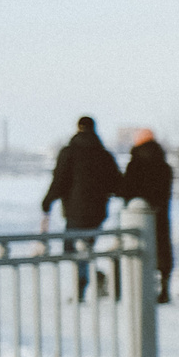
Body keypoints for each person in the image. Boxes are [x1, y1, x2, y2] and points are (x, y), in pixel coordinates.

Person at [41, 115, 122, 299]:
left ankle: (83, 285)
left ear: (78, 128)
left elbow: (59, 180)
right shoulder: (104, 154)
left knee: (71, 249)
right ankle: (93, 278)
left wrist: (48, 201)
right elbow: (117, 184)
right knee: (85, 247)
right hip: (97, 212)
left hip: (75, 211)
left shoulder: (69, 152)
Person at [117, 127, 176, 304]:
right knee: (162, 248)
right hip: (160, 214)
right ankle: (164, 288)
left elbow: (126, 189)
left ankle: (139, 288)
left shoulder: (135, 164)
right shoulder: (165, 166)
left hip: (137, 216)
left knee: (137, 248)